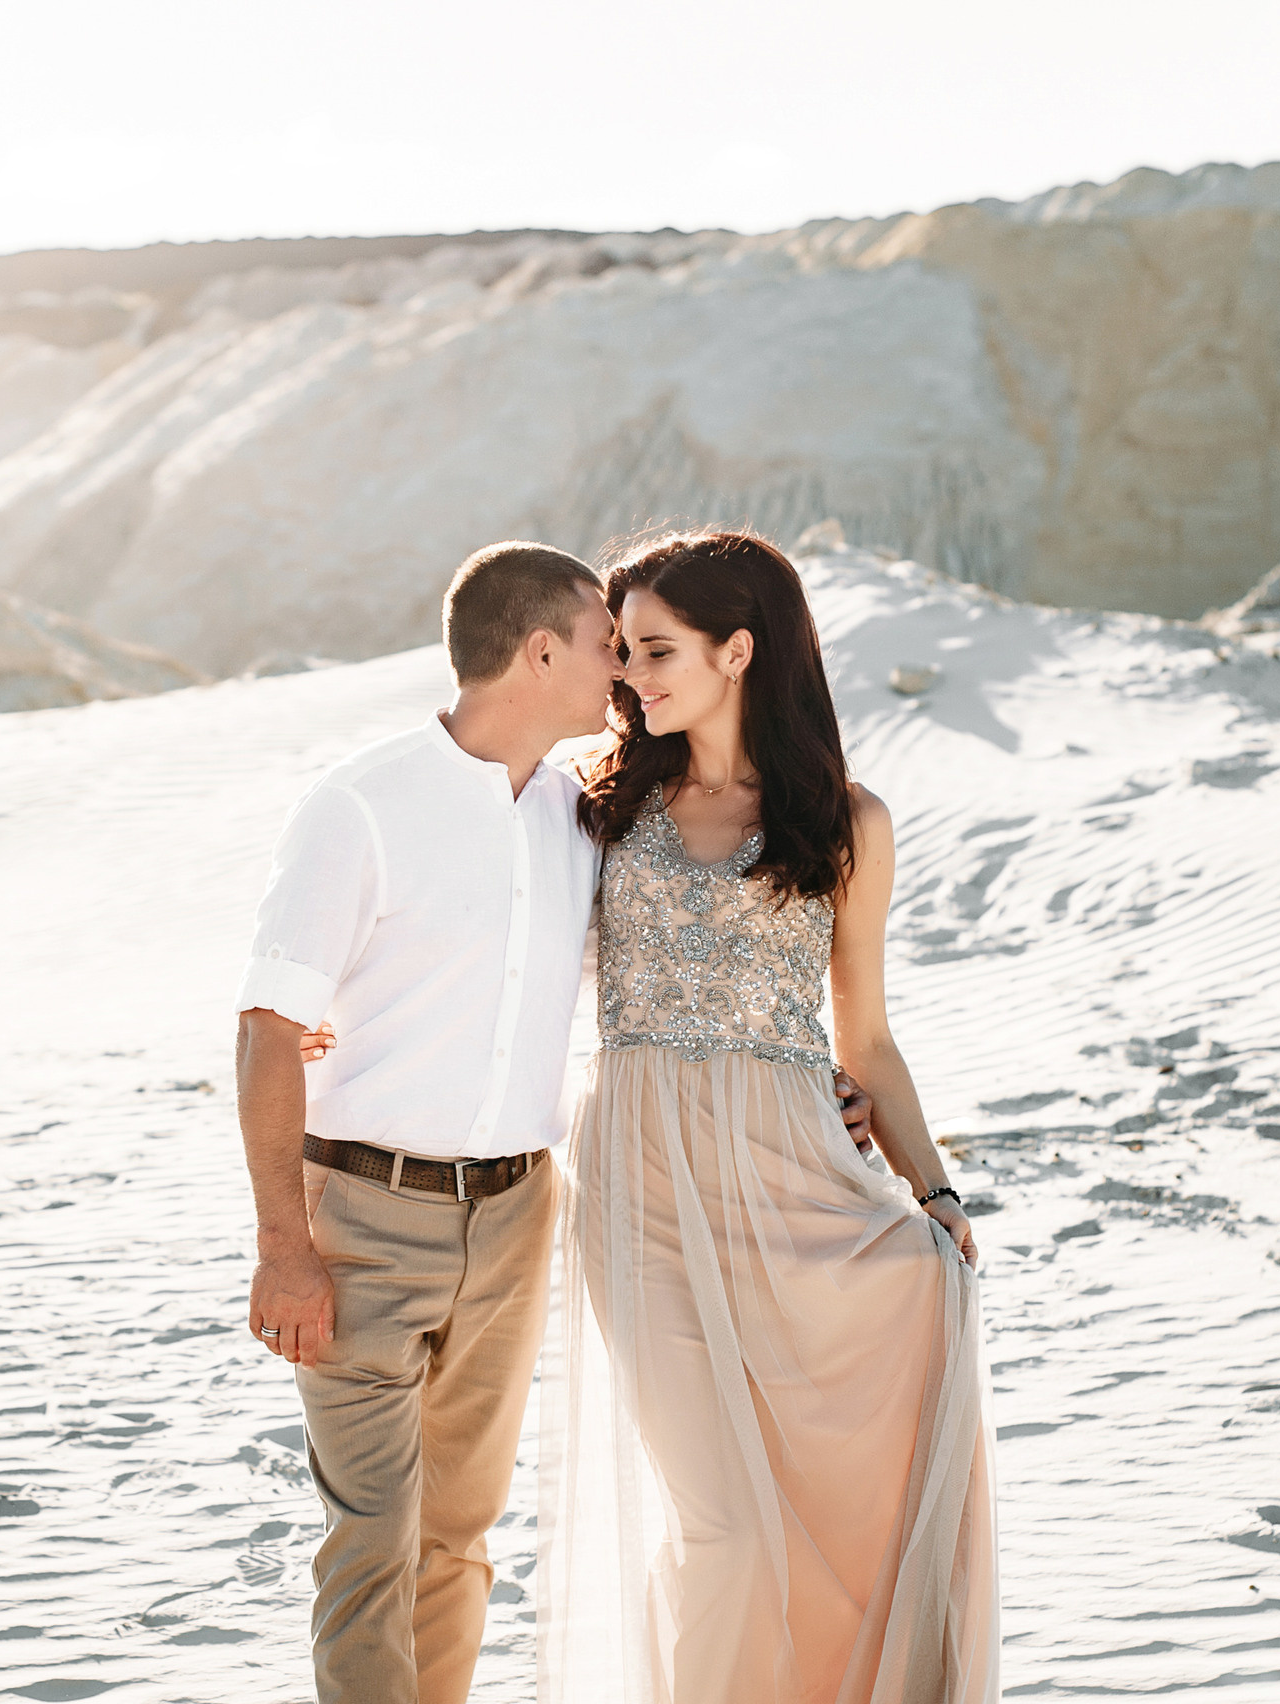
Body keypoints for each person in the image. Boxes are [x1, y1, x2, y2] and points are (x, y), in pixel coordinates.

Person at [233, 540, 878, 1704]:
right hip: (363, 1221)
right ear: (539, 653)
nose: (622, 672)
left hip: (518, 1214)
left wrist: (802, 1078)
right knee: (374, 1541)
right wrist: (284, 1243)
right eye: (603, 646)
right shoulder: (361, 804)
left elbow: (696, 951)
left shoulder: (582, 814)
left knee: (459, 1542)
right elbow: (266, 1024)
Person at [536, 528, 1000, 1704]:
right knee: (723, 1529)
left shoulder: (847, 821)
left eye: (653, 650)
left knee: (823, 1520)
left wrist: (934, 1192)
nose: (626, 677)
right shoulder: (591, 807)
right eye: (622, 652)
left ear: (736, 650)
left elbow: (869, 1040)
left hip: (795, 1185)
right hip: (637, 1185)